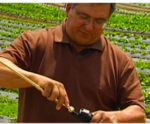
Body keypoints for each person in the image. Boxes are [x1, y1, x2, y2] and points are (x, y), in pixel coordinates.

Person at [0, 3, 146, 123]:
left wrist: (116, 117)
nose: (89, 27)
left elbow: (138, 112)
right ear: (69, 9)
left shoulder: (120, 61)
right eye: (84, 17)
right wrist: (35, 79)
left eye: (99, 21)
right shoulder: (34, 42)